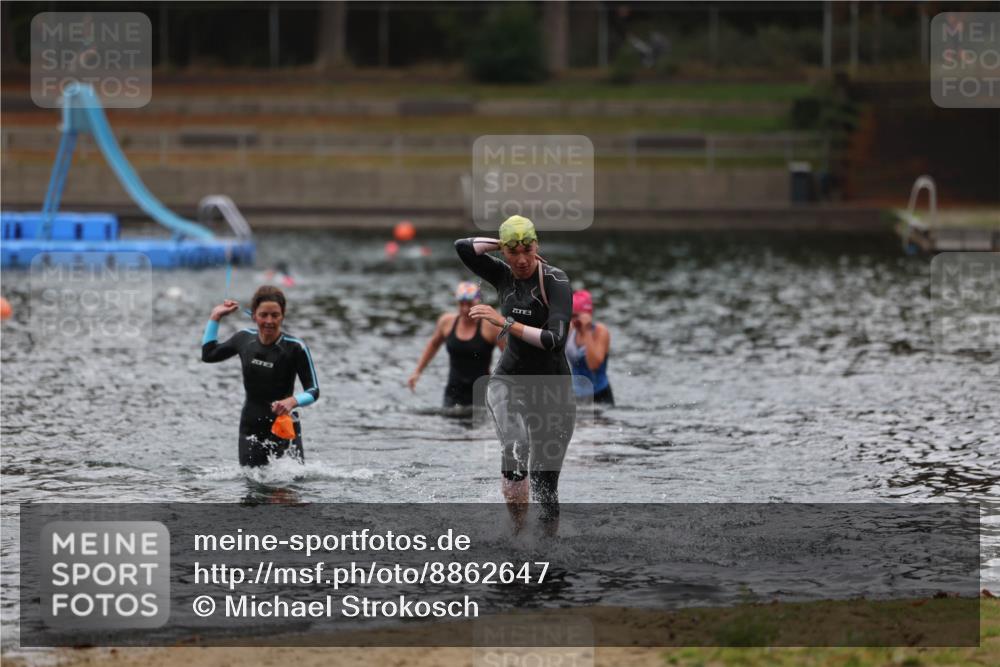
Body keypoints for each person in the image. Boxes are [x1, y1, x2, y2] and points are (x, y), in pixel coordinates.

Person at [455, 215, 575, 534]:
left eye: (528, 249)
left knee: (545, 486)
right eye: (513, 252)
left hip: (554, 391)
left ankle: (548, 551)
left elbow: (555, 340)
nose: (521, 260)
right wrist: (503, 241)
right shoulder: (501, 274)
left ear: (538, 246)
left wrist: (505, 323)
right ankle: (518, 537)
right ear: (504, 253)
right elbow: (463, 247)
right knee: (516, 445)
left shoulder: (555, 280)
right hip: (509, 379)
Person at [201, 285, 319, 467]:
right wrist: (215, 317)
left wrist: (292, 401)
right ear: (254, 315)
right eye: (263, 315)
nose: (269, 321)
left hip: (284, 427)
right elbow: (208, 355)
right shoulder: (243, 339)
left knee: (286, 490)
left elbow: (313, 390)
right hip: (251, 428)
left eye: (275, 315)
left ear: (283, 315)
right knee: (253, 489)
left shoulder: (295, 347)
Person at [407, 282, 502, 409]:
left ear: (479, 303)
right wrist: (417, 371)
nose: (465, 308)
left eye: (469, 304)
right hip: (453, 391)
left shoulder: (491, 327)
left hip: (481, 394)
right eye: (461, 303)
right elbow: (433, 344)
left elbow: (508, 355)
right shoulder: (446, 322)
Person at [565, 289, 614, 406]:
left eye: (576, 316)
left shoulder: (600, 331)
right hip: (577, 396)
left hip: (600, 395)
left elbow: (594, 365)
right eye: (570, 316)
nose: (573, 320)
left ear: (588, 314)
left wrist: (586, 331)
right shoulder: (570, 331)